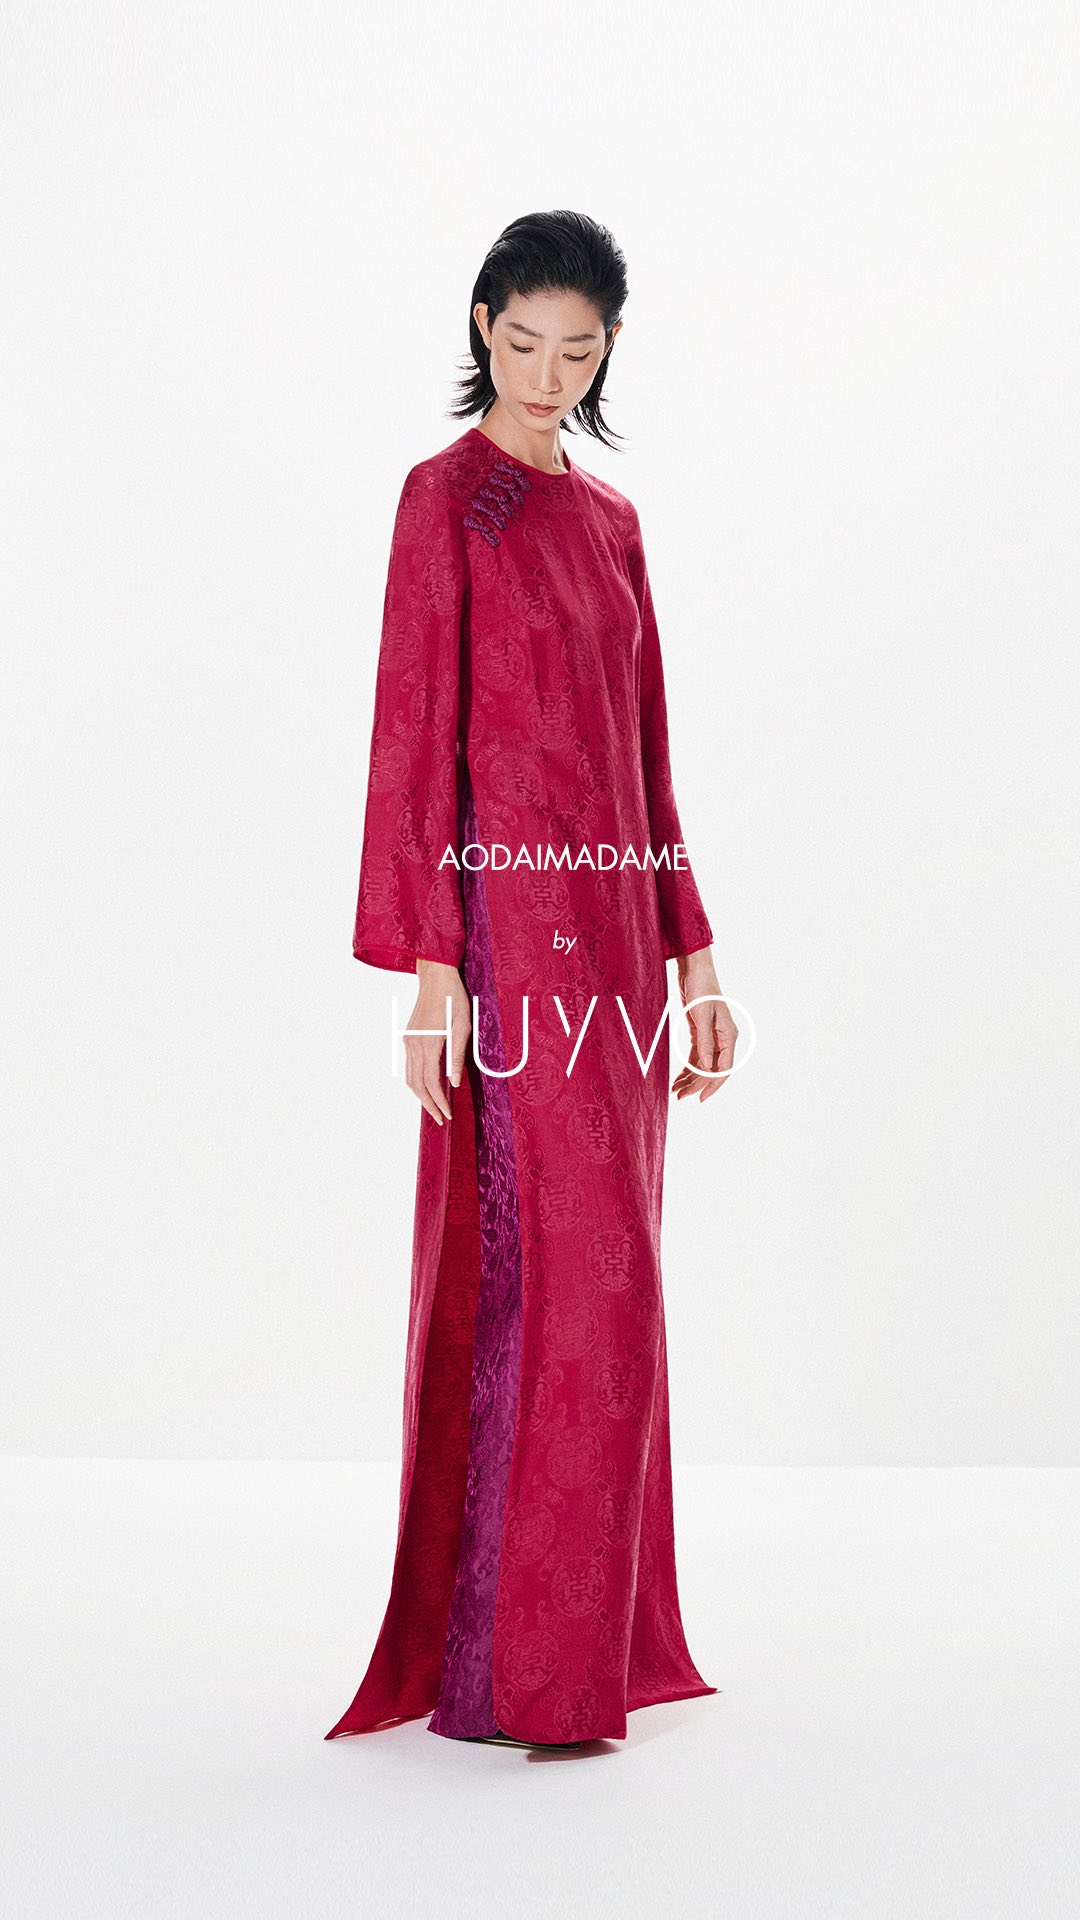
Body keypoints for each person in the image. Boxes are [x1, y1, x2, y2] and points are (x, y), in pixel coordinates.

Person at [324, 210, 737, 1755]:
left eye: (577, 349)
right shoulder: (447, 505)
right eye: (522, 343)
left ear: (609, 347)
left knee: (620, 1279)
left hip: (619, 941)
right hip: (507, 940)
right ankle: (523, 1671)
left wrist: (698, 958)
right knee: (558, 1276)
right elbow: (410, 741)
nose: (547, 374)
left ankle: (582, 1650)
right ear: (481, 328)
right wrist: (432, 975)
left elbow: (648, 754)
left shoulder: (615, 523)